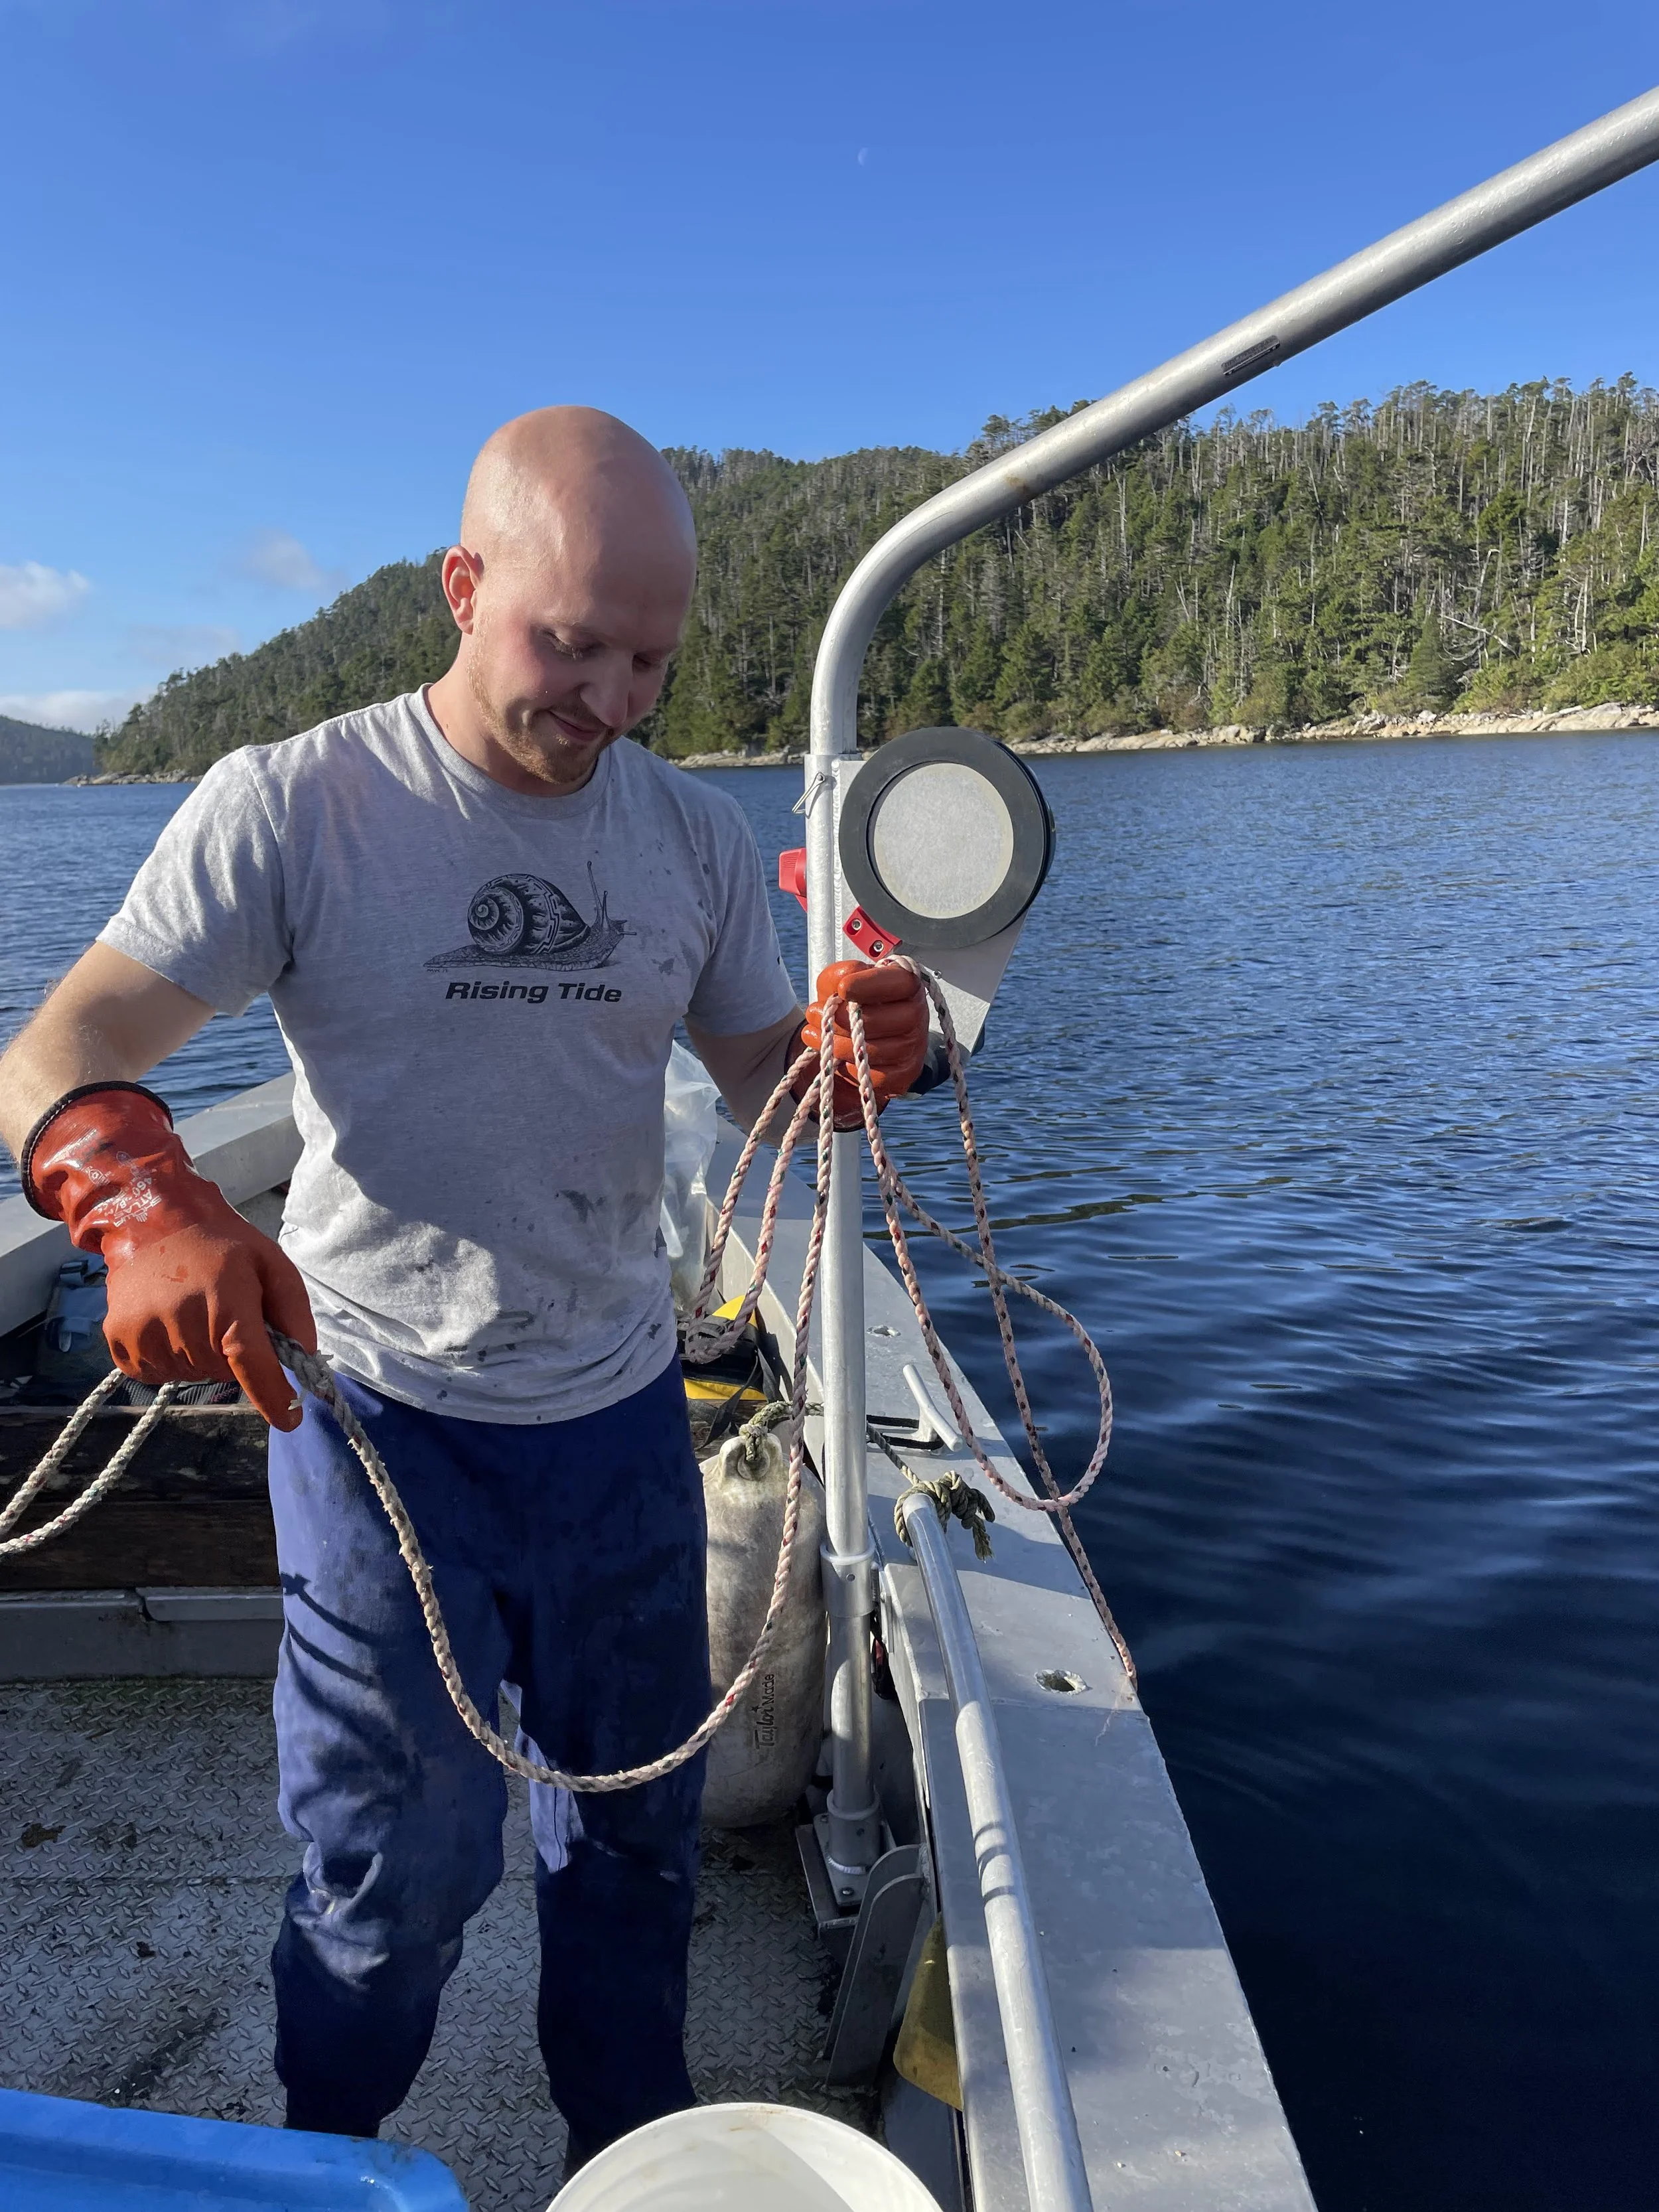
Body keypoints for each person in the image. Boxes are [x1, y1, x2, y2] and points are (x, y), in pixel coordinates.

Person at [0, 407, 929, 2164]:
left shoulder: (690, 840)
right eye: (568, 643)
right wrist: (138, 1199)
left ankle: (626, 2158)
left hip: (617, 1422)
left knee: (639, 1839)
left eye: (648, 659)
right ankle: (327, 2155)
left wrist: (873, 1048)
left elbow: (768, 1090)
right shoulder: (299, 803)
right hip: (377, 1429)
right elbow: (62, 1039)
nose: (611, 699)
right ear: (461, 584)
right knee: (395, 1866)